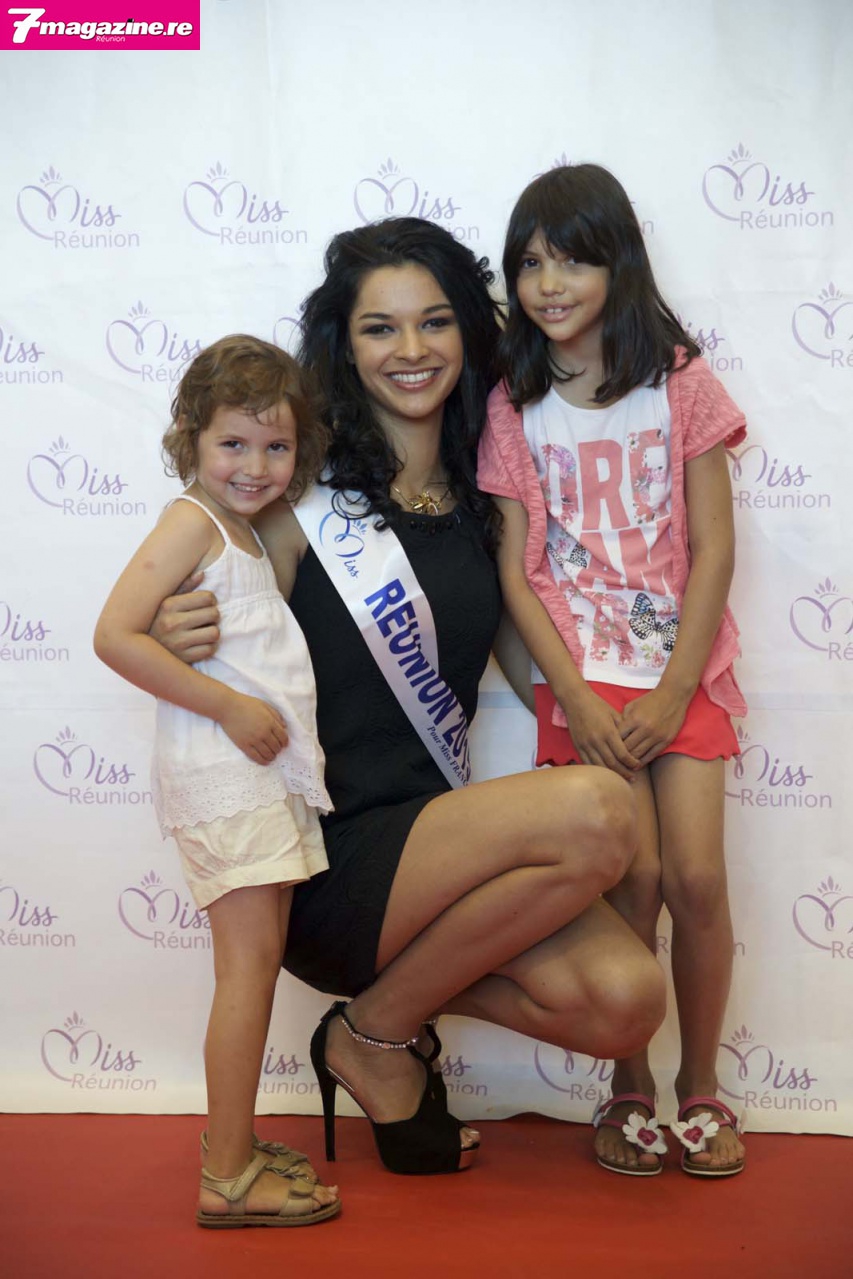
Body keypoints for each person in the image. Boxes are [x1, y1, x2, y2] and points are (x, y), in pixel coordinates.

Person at [151, 218, 666, 1178]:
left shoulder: (484, 501)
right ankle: (382, 1036)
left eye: (433, 322)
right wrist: (180, 623)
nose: (411, 349)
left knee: (626, 999)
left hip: (436, 853)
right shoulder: (298, 501)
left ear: (466, 332)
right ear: (344, 346)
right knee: (597, 815)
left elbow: (529, 664)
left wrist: (640, 705)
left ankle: (371, 1030)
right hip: (329, 859)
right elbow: (206, 588)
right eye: (379, 327)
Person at [478, 165, 747, 1177]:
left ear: (617, 264)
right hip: (582, 680)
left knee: (696, 877)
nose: (548, 284)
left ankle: (702, 1087)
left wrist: (676, 687)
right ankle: (627, 1086)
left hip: (681, 671)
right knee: (628, 879)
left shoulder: (679, 381)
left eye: (573, 260)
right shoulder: (512, 401)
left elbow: (713, 549)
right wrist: (573, 698)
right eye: (529, 263)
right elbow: (514, 570)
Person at [94, 336, 341, 1226]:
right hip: (225, 775)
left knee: (256, 967)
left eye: (276, 447)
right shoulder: (192, 521)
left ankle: (233, 1146)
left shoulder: (244, 532)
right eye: (232, 443)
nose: (254, 465)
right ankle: (227, 1176)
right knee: (245, 971)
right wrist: (228, 706)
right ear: (192, 436)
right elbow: (115, 634)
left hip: (259, 778)